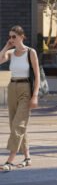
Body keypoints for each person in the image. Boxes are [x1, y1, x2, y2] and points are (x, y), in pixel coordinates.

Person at [0, 27, 40, 171]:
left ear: (22, 36)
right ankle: (27, 157)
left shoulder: (31, 52)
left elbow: (37, 75)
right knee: (14, 124)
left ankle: (10, 160)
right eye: (10, 37)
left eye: (14, 37)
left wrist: (35, 95)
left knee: (19, 124)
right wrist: (6, 47)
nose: (11, 39)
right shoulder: (11, 53)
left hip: (25, 88)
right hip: (12, 87)